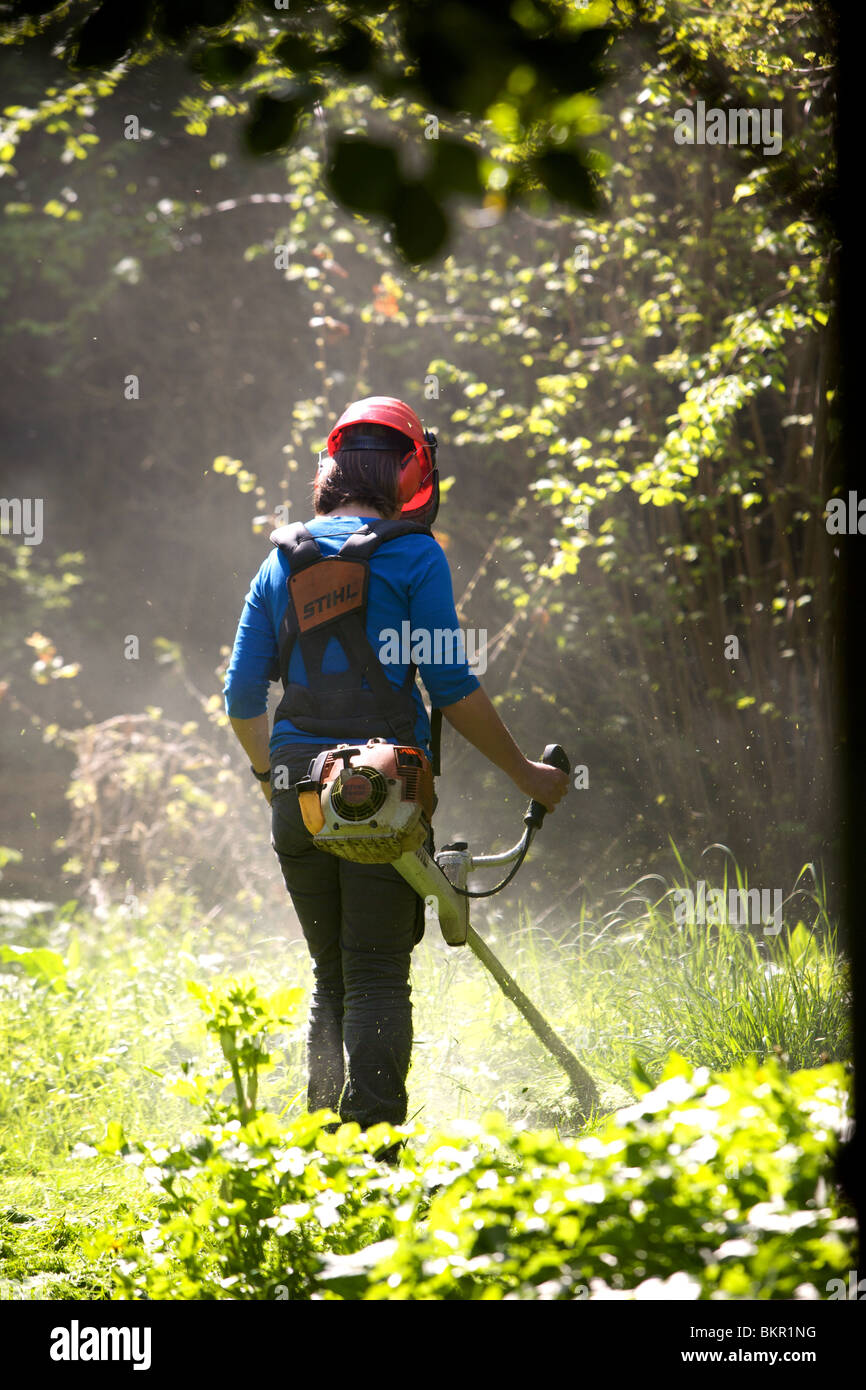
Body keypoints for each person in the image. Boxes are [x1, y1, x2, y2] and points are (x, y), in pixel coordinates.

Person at [224, 397, 567, 1152]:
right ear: (414, 472)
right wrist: (527, 775)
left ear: (331, 471)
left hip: (296, 795)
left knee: (331, 975)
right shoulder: (415, 555)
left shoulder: (278, 559)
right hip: (383, 792)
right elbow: (450, 685)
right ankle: (374, 1156)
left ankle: (319, 1154)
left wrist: (267, 778)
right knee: (377, 970)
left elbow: (241, 697)